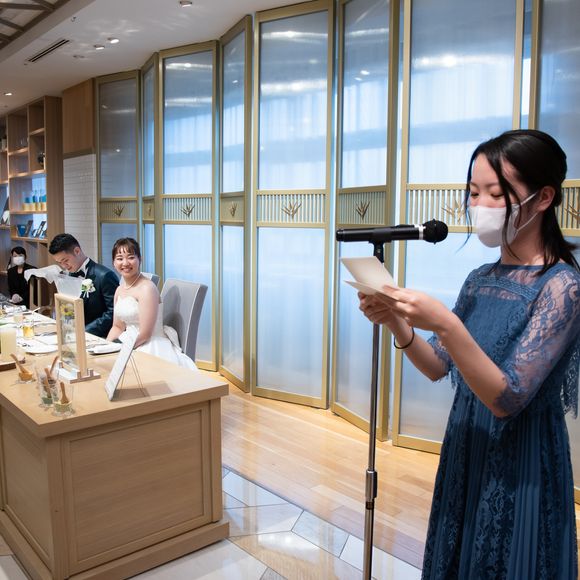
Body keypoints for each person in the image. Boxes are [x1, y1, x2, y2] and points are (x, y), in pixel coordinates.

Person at [358, 129, 580, 579]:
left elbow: (508, 398)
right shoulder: (480, 279)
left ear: (544, 198)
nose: (480, 205)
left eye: (496, 193)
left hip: (522, 461)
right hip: (466, 444)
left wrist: (445, 322)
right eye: (474, 192)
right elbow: (436, 365)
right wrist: (396, 320)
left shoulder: (561, 288)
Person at [106, 237, 197, 370]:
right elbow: (117, 327)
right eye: (120, 258)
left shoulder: (147, 288)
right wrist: (106, 346)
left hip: (148, 344)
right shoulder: (119, 290)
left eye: (131, 257)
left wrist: (121, 350)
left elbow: (145, 334)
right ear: (114, 263)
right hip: (128, 340)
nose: (125, 263)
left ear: (140, 259)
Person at [49, 233, 119, 338]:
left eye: (65, 260)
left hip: (101, 336)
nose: (64, 266)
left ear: (77, 251)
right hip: (75, 335)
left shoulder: (104, 275)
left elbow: (113, 312)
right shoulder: (70, 275)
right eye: (60, 263)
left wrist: (85, 331)